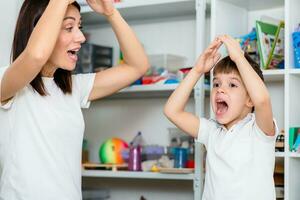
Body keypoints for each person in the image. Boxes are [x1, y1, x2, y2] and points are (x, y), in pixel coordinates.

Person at [0, 0, 149, 199]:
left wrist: (110, 12)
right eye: (69, 27)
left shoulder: (73, 88)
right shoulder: (7, 83)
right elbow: (36, 55)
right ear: (38, 29)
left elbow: (137, 66)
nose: (80, 37)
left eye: (79, 27)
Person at [164, 35, 277, 200]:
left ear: (250, 98)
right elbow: (171, 110)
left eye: (232, 84)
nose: (220, 90)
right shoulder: (212, 131)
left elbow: (262, 100)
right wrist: (197, 71)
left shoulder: (258, 131)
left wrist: (239, 58)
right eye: (216, 84)